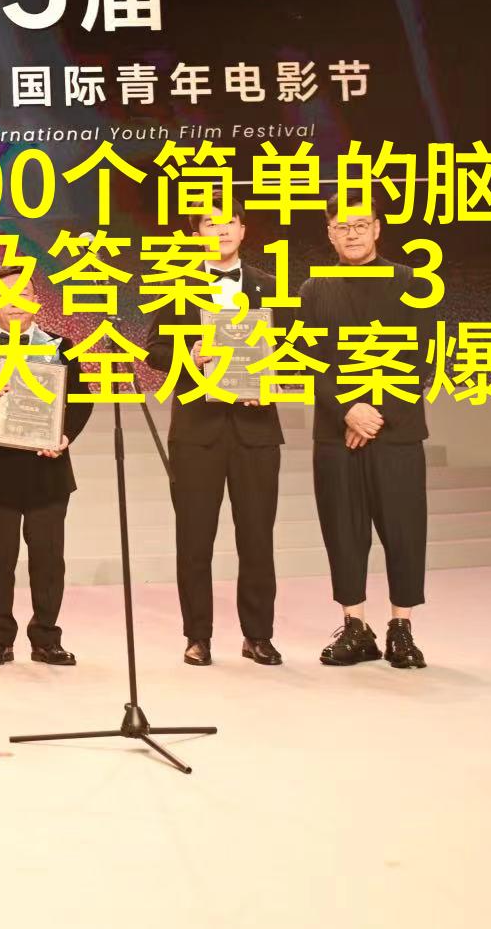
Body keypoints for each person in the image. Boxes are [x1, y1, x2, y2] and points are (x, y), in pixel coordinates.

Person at [143, 210, 286, 668]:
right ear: (196, 233)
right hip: (197, 431)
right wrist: (189, 354)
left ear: (243, 229)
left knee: (257, 537)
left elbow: (295, 346)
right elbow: (154, 351)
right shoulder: (180, 287)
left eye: (229, 223)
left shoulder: (270, 285)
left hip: (256, 428)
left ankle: (258, 636)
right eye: (209, 223)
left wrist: (271, 376)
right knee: (195, 539)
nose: (221, 231)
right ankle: (197, 636)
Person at [299, 207, 437, 670]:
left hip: (396, 431)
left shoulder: (412, 283)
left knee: (404, 530)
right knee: (343, 530)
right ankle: (354, 626)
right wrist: (347, 410)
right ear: (330, 234)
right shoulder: (314, 288)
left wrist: (375, 415)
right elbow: (308, 359)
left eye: (361, 225)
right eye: (342, 227)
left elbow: (423, 358)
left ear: (377, 229)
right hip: (336, 432)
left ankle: (402, 627)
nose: (352, 234)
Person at [0, 268, 93, 667]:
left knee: (48, 560)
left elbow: (82, 400)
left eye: (23, 292)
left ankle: (46, 638)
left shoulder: (61, 346)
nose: (14, 301)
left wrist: (65, 436)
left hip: (48, 467)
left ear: (36, 301)